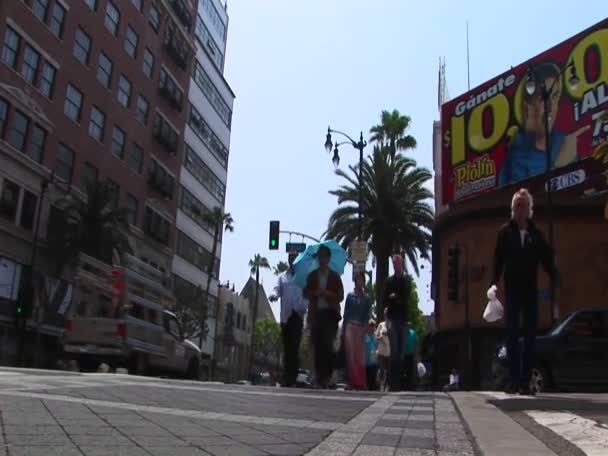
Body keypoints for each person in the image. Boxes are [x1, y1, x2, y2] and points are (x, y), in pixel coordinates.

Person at [491, 188, 558, 395]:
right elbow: (498, 260)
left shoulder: (535, 234)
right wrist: (493, 283)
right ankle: (513, 380)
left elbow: (546, 258)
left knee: (530, 336)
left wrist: (556, 278)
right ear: (513, 209)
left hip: (530, 290)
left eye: (524, 205)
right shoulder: (505, 232)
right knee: (512, 335)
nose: (520, 210)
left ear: (530, 209)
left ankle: (525, 381)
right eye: (517, 206)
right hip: (512, 289)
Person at [499, 62, 589, 187]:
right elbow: (518, 200)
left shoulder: (564, 142)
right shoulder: (515, 158)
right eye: (542, 98)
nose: (550, 107)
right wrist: (558, 166)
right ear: (527, 108)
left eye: (555, 96)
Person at [304, 246, 344, 389]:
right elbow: (306, 293)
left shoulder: (334, 276)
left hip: (330, 314)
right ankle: (319, 378)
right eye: (320, 257)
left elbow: (340, 296)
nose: (322, 260)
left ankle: (326, 376)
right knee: (317, 344)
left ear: (328, 259)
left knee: (327, 344)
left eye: (324, 257)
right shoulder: (312, 275)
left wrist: (327, 294)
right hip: (316, 313)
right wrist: (315, 293)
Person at [269, 251, 308, 387]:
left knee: (295, 346)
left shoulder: (302, 277)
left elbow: (306, 295)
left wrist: (303, 307)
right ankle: (287, 377)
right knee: (287, 347)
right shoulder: (282, 277)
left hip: (297, 316)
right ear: (288, 261)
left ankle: (293, 376)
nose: (292, 261)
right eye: (290, 258)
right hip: (285, 317)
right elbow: (276, 289)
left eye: (295, 258)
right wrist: (273, 295)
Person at [383, 255, 413, 391]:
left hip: (403, 318)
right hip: (392, 318)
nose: (396, 265)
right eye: (394, 263)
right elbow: (385, 298)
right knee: (394, 351)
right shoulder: (389, 281)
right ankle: (392, 383)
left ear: (402, 264)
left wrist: (395, 297)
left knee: (401, 353)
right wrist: (393, 298)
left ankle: (400, 382)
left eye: (398, 263)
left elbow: (406, 296)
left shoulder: (406, 280)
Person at [342, 271, 373, 390]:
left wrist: (365, 329)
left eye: (362, 280)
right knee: (351, 355)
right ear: (355, 281)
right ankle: (351, 382)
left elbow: (367, 315)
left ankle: (360, 382)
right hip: (350, 326)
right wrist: (344, 329)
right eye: (358, 279)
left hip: (361, 327)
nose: (360, 282)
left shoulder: (367, 298)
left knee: (360, 356)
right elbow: (346, 314)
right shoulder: (350, 296)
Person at [375, 308, 390, 392]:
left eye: (388, 313)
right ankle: (381, 386)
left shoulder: (392, 325)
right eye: (385, 313)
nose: (386, 315)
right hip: (381, 351)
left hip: (389, 351)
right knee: (381, 369)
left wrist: (388, 334)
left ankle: (387, 386)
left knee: (388, 371)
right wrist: (380, 337)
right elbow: (376, 336)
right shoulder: (381, 324)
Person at [403, 321, 417, 390]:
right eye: (407, 325)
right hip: (405, 354)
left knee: (411, 370)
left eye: (409, 325)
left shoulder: (413, 333)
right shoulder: (403, 333)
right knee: (405, 370)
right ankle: (405, 385)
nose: (408, 326)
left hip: (411, 354)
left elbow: (415, 343)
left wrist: (416, 354)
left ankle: (411, 385)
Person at [365, 319, 379, 391]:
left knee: (373, 380)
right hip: (365, 363)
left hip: (374, 362)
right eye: (370, 325)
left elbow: (378, 347)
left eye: (373, 326)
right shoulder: (364, 336)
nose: (372, 327)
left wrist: (377, 352)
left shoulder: (376, 337)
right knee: (366, 380)